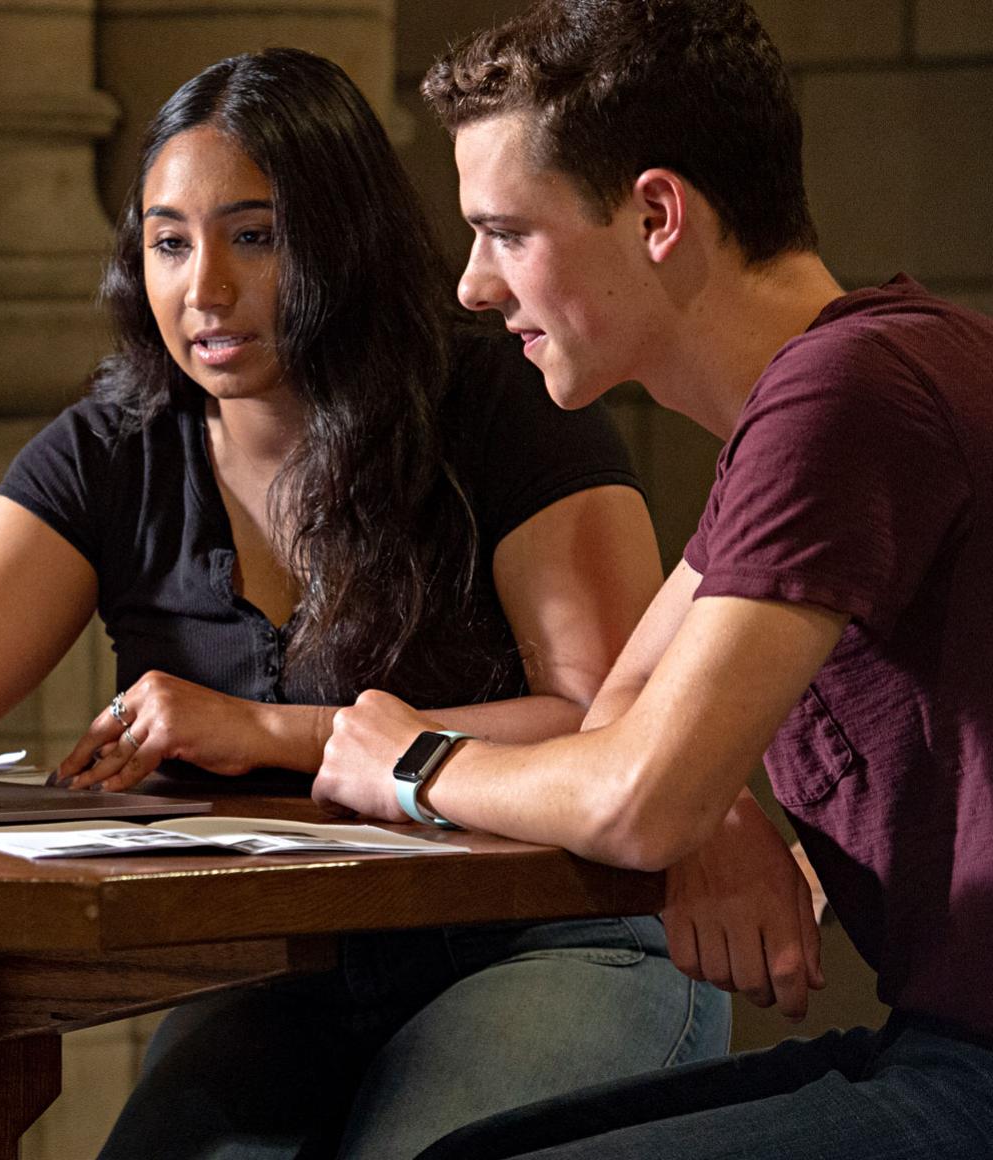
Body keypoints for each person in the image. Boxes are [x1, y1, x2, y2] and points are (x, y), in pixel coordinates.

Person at [0, 48, 728, 1159]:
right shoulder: (109, 452)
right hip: (280, 972)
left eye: (253, 236)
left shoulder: (495, 403)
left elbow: (602, 722)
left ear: (340, 239)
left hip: (554, 935)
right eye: (168, 242)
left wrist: (268, 731)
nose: (201, 288)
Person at [309, 3, 993, 1158]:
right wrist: (705, 807)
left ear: (656, 214)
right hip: (944, 1043)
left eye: (504, 232)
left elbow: (631, 793)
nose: (472, 286)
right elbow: (621, 720)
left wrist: (412, 764)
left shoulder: (848, 392)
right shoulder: (819, 393)